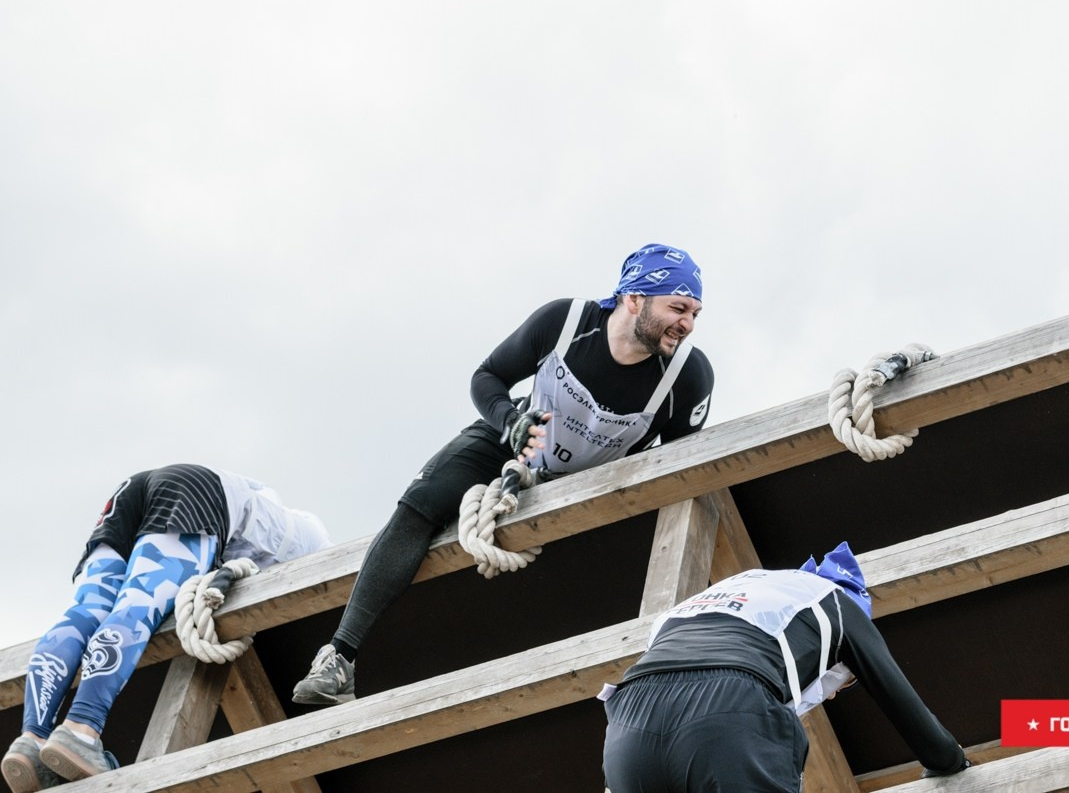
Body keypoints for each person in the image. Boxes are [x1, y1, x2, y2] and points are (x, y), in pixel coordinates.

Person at [292, 243, 715, 706]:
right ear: (634, 298)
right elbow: (487, 376)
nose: (687, 324)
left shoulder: (687, 377)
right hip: (512, 441)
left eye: (694, 312)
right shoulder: (565, 321)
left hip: (593, 479)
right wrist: (510, 423)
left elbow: (679, 469)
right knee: (419, 505)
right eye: (677, 307)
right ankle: (340, 658)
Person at [1, 464, 332, 792]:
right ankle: (80, 729)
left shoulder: (271, 507)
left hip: (130, 490)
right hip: (194, 494)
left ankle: (31, 739)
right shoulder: (313, 540)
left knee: (82, 613)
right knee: (138, 603)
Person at [599, 542, 970, 791]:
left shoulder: (693, 608)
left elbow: (671, 686)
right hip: (729, 707)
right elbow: (902, 703)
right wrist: (949, 762)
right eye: (845, 681)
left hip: (627, 726)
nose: (837, 693)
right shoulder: (835, 599)